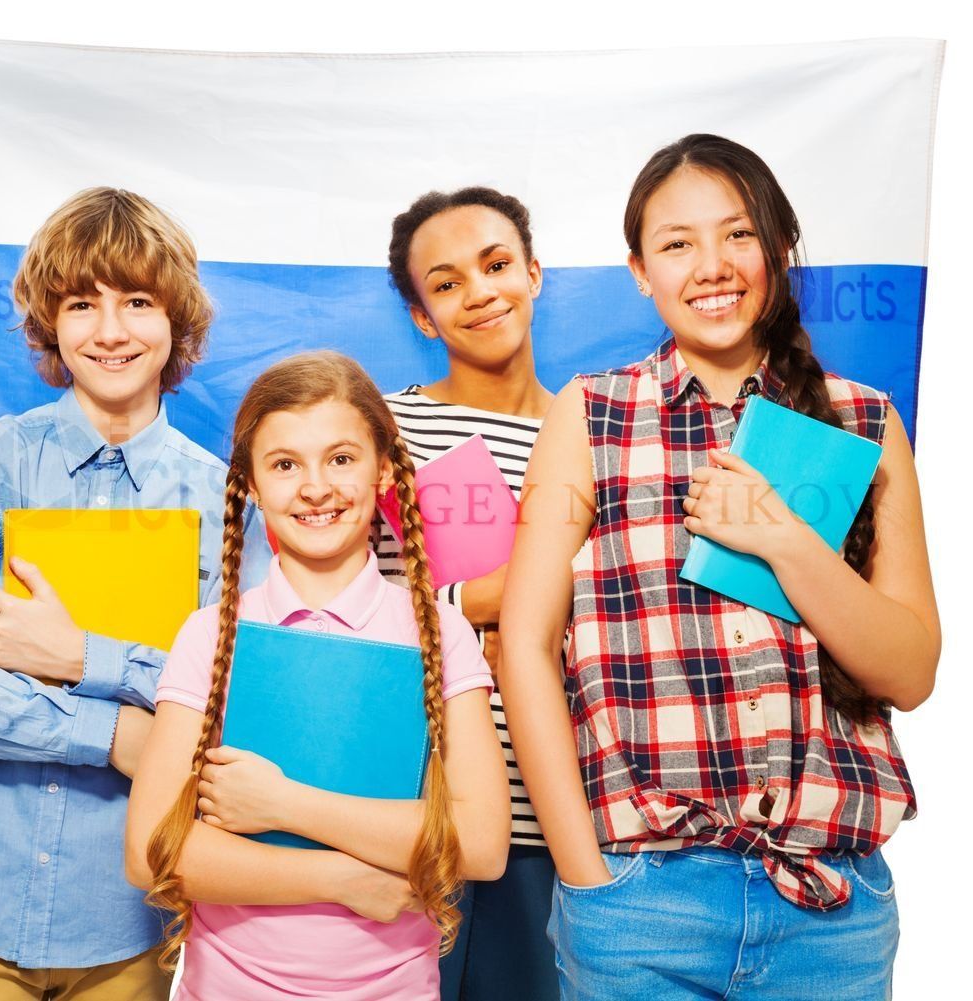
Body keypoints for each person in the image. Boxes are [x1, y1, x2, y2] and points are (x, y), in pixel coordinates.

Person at [498, 134, 940, 1000]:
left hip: (834, 910)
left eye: (738, 235)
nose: (712, 265)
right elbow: (524, 643)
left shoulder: (865, 420)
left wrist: (783, 538)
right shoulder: (590, 414)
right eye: (677, 243)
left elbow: (911, 669)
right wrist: (586, 875)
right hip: (639, 903)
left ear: (777, 248)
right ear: (638, 271)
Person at [0, 187, 272, 1000]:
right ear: (50, 322)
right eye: (82, 303)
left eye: (137, 301)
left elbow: (243, 705)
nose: (112, 329)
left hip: (132, 916)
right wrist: (113, 732)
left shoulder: (224, 501)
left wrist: (82, 657)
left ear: (176, 321)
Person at [125, 350, 510, 1000]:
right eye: (284, 464)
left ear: (383, 467)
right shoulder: (210, 634)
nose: (315, 486)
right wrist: (343, 876)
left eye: (340, 458)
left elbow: (482, 843)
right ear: (249, 482)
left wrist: (284, 804)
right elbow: (150, 851)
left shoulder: (439, 637)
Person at [380, 186, 559, 1001]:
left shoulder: (597, 430)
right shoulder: (385, 432)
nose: (479, 292)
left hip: (561, 820)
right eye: (446, 283)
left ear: (533, 273)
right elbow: (358, 617)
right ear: (423, 316)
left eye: (495, 265)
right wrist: (496, 603)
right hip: (416, 811)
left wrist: (483, 601)